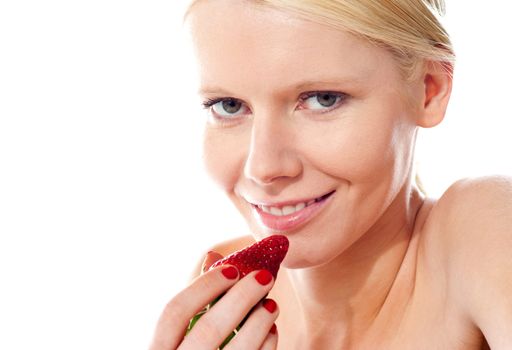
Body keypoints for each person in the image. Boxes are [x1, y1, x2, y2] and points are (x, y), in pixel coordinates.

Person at [150, 0, 511, 348]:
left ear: (429, 90)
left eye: (322, 99)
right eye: (228, 106)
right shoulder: (224, 294)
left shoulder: (478, 230)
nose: (263, 168)